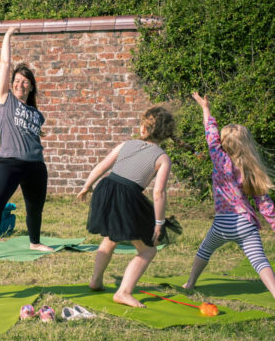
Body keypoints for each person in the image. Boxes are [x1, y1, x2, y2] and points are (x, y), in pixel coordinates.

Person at [77, 106, 175, 307]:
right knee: (148, 251)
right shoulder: (162, 157)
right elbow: (159, 193)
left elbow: (103, 165)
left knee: (110, 238)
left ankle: (96, 280)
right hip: (125, 196)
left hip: (106, 188)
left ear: (144, 129)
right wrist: (159, 222)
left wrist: (87, 186)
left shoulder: (126, 144)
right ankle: (124, 292)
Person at [182, 92, 275, 298]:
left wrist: (206, 109)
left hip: (223, 224)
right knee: (260, 261)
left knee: (204, 251)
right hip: (245, 224)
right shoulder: (251, 170)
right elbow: (264, 203)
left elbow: (210, 135)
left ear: (224, 144)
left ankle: (189, 283)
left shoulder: (220, 160)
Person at [0, 25, 50, 253]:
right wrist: (7, 36)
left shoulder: (37, 114)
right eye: (17, 80)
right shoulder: (5, 100)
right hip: (9, 163)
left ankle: (34, 242)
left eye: (25, 81)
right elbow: (4, 65)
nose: (20, 84)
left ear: (31, 87)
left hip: (35, 165)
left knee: (35, 207)